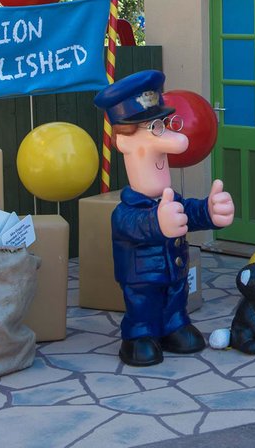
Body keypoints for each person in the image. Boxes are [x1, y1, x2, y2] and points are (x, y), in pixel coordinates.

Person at [94, 69, 235, 367]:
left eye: (164, 124)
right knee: (143, 305)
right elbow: (133, 226)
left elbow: (186, 213)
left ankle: (174, 325)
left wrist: (208, 211)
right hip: (141, 279)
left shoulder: (168, 199)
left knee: (175, 297)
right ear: (125, 143)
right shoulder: (127, 210)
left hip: (175, 271)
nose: (172, 138)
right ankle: (139, 334)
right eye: (155, 129)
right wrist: (158, 224)